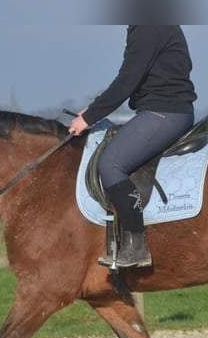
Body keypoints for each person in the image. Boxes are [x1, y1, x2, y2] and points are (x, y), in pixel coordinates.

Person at [68, 25, 197, 268]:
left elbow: (128, 79)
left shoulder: (146, 25)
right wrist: (93, 111)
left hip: (164, 112)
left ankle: (136, 247)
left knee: (111, 164)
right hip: (165, 109)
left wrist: (89, 117)